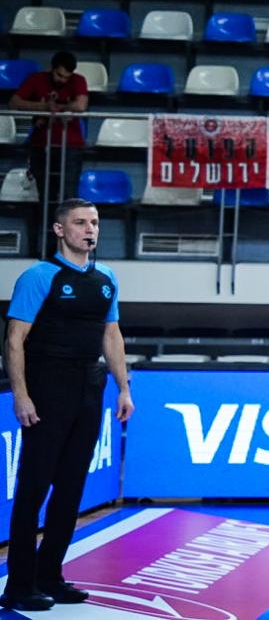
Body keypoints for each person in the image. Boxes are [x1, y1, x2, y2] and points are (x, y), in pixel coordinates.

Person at [3, 200, 133, 612]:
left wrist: (123, 389)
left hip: (89, 389)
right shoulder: (39, 276)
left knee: (71, 486)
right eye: (79, 222)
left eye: (94, 222)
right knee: (34, 488)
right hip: (47, 388)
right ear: (60, 230)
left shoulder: (107, 278)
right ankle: (20, 584)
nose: (89, 229)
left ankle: (50, 576)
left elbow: (111, 335)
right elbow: (13, 340)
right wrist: (21, 395)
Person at [8, 51, 87, 212]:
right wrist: (44, 107)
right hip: (41, 145)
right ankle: (47, 236)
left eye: (67, 77)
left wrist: (58, 108)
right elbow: (14, 102)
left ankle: (67, 237)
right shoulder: (36, 79)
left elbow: (80, 105)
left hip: (71, 147)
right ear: (52, 68)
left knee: (69, 198)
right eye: (59, 75)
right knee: (45, 197)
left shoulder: (78, 80)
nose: (63, 80)